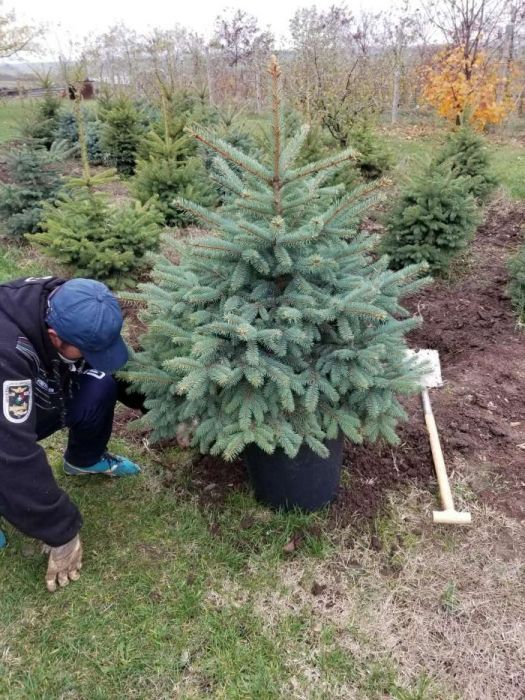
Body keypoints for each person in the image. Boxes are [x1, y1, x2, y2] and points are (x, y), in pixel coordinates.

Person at [0, 275, 145, 592]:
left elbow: (120, 370)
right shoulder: (6, 355)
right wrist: (61, 533)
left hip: (32, 387)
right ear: (54, 337)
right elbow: (11, 455)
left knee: (99, 381)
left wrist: (159, 410)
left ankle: (84, 459)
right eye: (88, 350)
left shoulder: (71, 301)